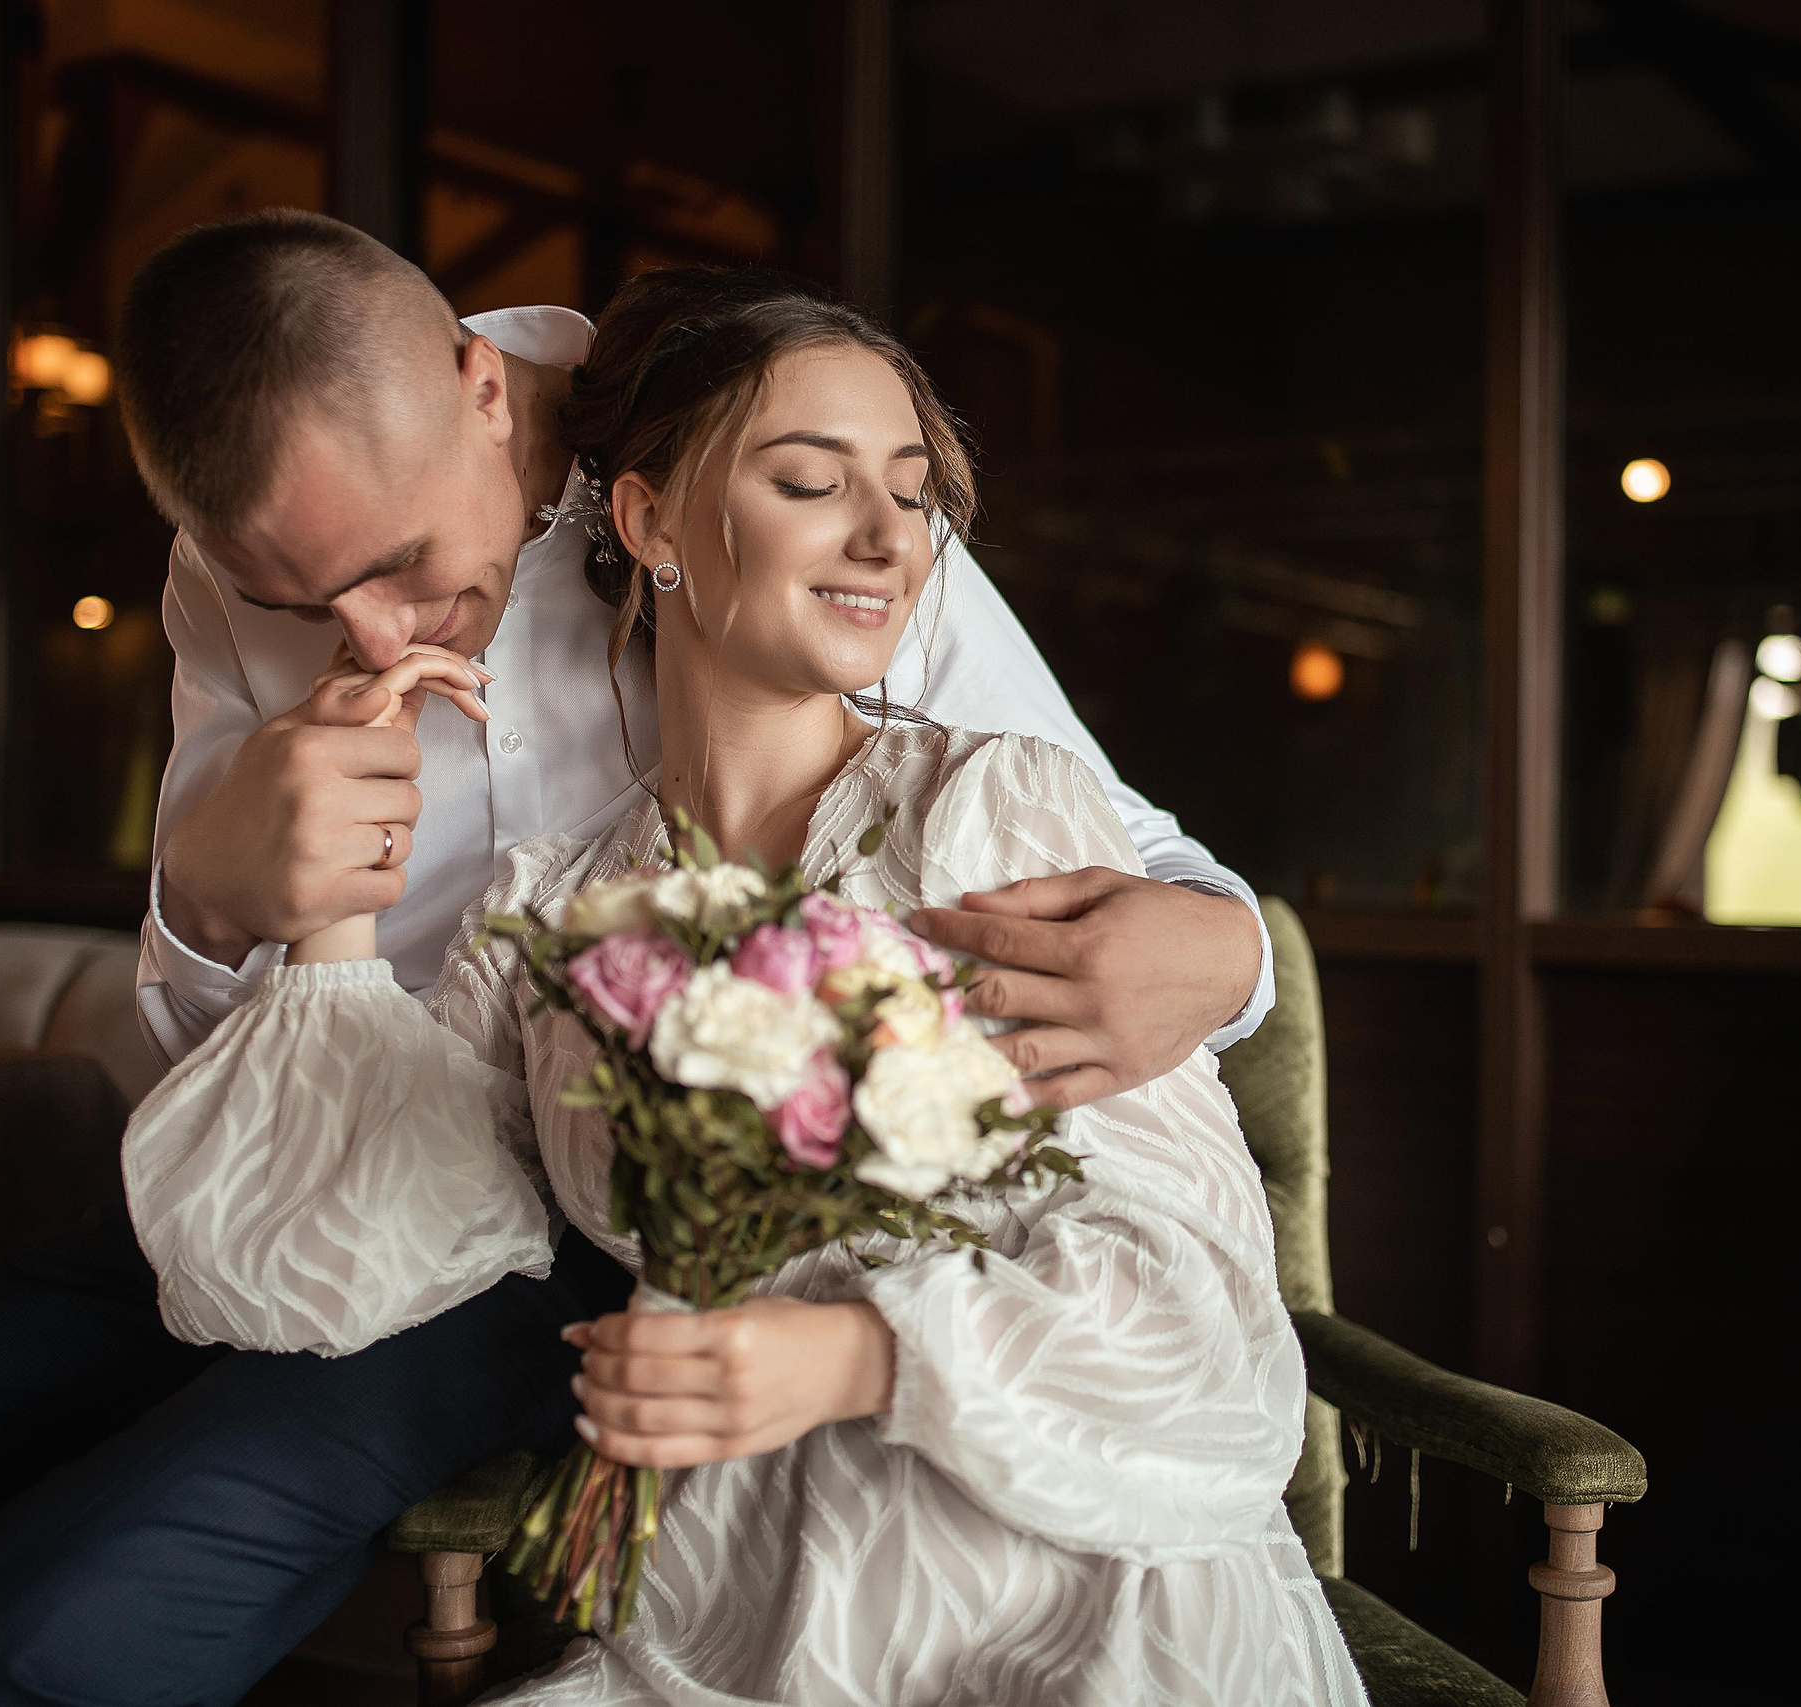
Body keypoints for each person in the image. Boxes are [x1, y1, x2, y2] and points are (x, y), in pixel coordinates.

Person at [0, 212, 1272, 1707]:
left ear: (484, 390)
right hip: (296, 1140)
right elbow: (229, 1040)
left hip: (577, 1208)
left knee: (32, 1636)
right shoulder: (254, 552)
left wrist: (1230, 949)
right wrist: (212, 906)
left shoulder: (761, 445)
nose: (362, 630)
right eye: (295, 600)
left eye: (399, 562)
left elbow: (1116, 856)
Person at [125, 263, 1366, 1706]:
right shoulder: (554, 911)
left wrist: (855, 1357)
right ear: (646, 521)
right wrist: (333, 907)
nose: (891, 541)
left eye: (913, 494)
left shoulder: (987, 816)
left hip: (1067, 1594)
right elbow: (339, 1265)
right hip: (723, 1608)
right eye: (809, 481)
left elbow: (1210, 1335)